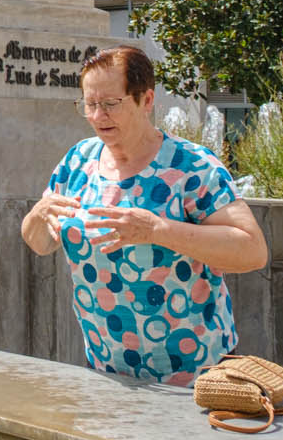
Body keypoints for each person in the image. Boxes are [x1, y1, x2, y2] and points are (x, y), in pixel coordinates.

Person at [21, 45, 267, 386]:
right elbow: (40, 242)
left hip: (197, 375)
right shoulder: (79, 160)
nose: (98, 116)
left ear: (146, 100)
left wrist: (157, 229)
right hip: (108, 371)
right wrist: (37, 215)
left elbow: (252, 251)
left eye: (110, 104)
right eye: (89, 105)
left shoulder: (191, 166)